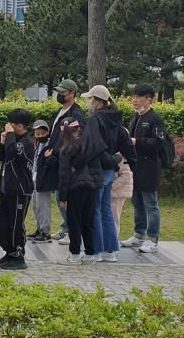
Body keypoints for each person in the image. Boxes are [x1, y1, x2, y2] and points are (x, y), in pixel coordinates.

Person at [80, 85, 136, 262]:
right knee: (105, 210)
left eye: (90, 99)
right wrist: (121, 160)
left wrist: (109, 161)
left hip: (99, 168)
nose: (88, 102)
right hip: (110, 171)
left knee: (94, 209)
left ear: (97, 102)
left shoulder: (96, 119)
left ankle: (96, 249)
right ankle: (110, 250)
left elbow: (94, 146)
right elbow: (126, 143)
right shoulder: (115, 118)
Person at [121, 83, 166, 254]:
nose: (135, 100)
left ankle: (152, 238)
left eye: (138, 97)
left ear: (149, 100)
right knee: (137, 202)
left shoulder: (155, 119)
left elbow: (158, 143)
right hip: (135, 167)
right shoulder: (135, 117)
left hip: (149, 168)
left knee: (150, 204)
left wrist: (137, 142)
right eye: (133, 97)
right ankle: (138, 234)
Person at [43, 79, 86, 246]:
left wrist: (57, 151)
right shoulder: (60, 111)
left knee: (65, 197)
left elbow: (75, 138)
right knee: (58, 195)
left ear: (72, 93)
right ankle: (66, 226)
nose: (60, 95)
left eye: (64, 92)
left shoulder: (76, 114)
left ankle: (72, 230)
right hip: (55, 159)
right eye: (59, 92)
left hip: (66, 160)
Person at [0, 109, 35, 270]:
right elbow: (0, 155)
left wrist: (9, 137)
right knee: (2, 222)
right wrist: (3, 141)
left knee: (16, 223)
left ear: (19, 126)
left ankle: (18, 254)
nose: (7, 127)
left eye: (10, 125)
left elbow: (13, 151)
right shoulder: (12, 140)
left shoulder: (26, 142)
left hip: (20, 190)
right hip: (7, 189)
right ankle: (9, 251)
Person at [56, 118, 100, 265]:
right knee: (89, 221)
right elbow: (96, 167)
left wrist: (62, 197)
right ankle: (90, 254)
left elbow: (64, 175)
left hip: (74, 189)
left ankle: (74, 254)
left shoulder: (66, 149)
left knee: (74, 223)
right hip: (91, 187)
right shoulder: (90, 145)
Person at [27, 120, 54, 243]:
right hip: (35, 177)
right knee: (35, 206)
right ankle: (39, 228)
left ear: (48, 132)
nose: (39, 135)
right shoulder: (37, 145)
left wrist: (49, 158)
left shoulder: (50, 145)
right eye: (37, 133)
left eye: (42, 133)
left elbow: (53, 162)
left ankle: (45, 232)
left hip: (44, 180)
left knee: (43, 206)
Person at [111, 157, 133, 236]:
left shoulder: (121, 156)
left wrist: (110, 187)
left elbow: (126, 175)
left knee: (114, 218)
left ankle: (113, 240)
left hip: (118, 193)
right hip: (116, 192)